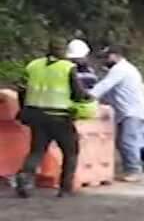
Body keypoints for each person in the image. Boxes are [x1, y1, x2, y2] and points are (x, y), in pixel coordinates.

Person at [13, 39, 90, 198]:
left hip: (36, 116)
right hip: (60, 117)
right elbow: (78, 93)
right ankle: (65, 189)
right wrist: (88, 100)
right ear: (63, 52)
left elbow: (21, 91)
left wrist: (24, 110)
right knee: (70, 152)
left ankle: (25, 176)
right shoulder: (67, 68)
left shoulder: (33, 66)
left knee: (37, 151)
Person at [90, 44, 144, 182]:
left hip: (132, 111)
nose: (104, 60)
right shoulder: (124, 69)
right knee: (121, 142)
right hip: (127, 111)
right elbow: (110, 93)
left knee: (127, 141)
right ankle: (129, 169)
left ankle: (134, 171)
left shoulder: (121, 69)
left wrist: (88, 96)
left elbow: (104, 86)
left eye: (107, 57)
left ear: (116, 56)